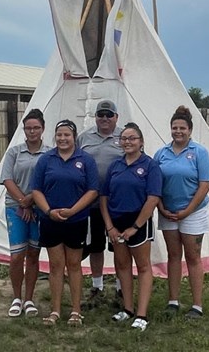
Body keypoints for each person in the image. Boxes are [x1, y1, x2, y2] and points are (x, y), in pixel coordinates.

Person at [31, 119, 99, 326]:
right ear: (55, 137)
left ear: (74, 137)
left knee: (74, 265)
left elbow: (93, 190)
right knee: (55, 266)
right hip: (51, 220)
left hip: (76, 220)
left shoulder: (85, 160)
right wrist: (48, 211)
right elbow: (36, 189)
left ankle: (76, 311)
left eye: (67, 135)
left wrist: (73, 211)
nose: (62, 138)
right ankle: (56, 310)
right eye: (59, 134)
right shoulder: (46, 160)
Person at [154, 106, 209, 320]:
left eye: (182, 128)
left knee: (192, 256)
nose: (178, 131)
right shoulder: (161, 153)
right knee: (173, 256)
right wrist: (161, 207)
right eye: (174, 127)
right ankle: (173, 300)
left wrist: (187, 211)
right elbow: (154, 184)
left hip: (193, 211)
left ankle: (197, 304)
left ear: (190, 130)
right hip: (168, 211)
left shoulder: (200, 152)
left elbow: (204, 185)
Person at [100, 122, 162, 331]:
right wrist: (109, 226)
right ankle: (127, 308)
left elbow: (153, 198)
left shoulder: (150, 165)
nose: (127, 142)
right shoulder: (115, 166)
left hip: (138, 223)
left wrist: (136, 226)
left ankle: (142, 314)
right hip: (116, 223)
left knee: (143, 266)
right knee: (123, 266)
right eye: (124, 139)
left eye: (132, 138)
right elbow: (104, 196)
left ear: (141, 141)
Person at [0, 108, 51, 318]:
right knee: (16, 255)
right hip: (16, 208)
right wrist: (23, 201)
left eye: (36, 128)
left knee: (33, 254)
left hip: (39, 208)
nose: (32, 132)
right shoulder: (14, 152)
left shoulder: (49, 153)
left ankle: (29, 298)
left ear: (43, 129)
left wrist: (32, 202)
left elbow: (50, 179)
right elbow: (7, 179)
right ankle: (16, 297)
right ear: (24, 130)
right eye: (28, 128)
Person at [76, 99, 124, 306]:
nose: (104, 119)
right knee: (95, 246)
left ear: (116, 117)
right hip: (92, 203)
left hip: (117, 203)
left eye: (109, 115)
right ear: (95, 117)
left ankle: (122, 288)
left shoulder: (125, 136)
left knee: (120, 246)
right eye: (101, 115)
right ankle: (97, 286)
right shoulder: (84, 137)